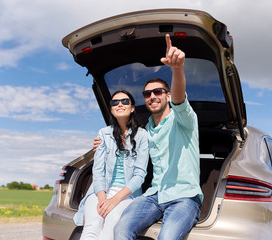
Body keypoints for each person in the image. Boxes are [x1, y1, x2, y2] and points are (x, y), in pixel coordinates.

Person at [94, 34, 203, 239]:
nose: (152, 96)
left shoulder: (185, 121)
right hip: (153, 196)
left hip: (183, 197)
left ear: (168, 95)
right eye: (147, 94)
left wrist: (177, 69)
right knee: (121, 229)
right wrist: (103, 143)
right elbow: (126, 149)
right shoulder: (144, 132)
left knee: (166, 237)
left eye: (158, 91)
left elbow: (180, 101)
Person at [74, 90, 149, 240]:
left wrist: (114, 200)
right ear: (111, 109)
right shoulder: (103, 134)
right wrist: (103, 199)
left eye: (125, 101)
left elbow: (140, 175)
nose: (120, 104)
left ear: (132, 108)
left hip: (127, 195)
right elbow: (98, 171)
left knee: (111, 226)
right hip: (100, 191)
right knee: (92, 228)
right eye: (115, 102)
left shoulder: (142, 135)